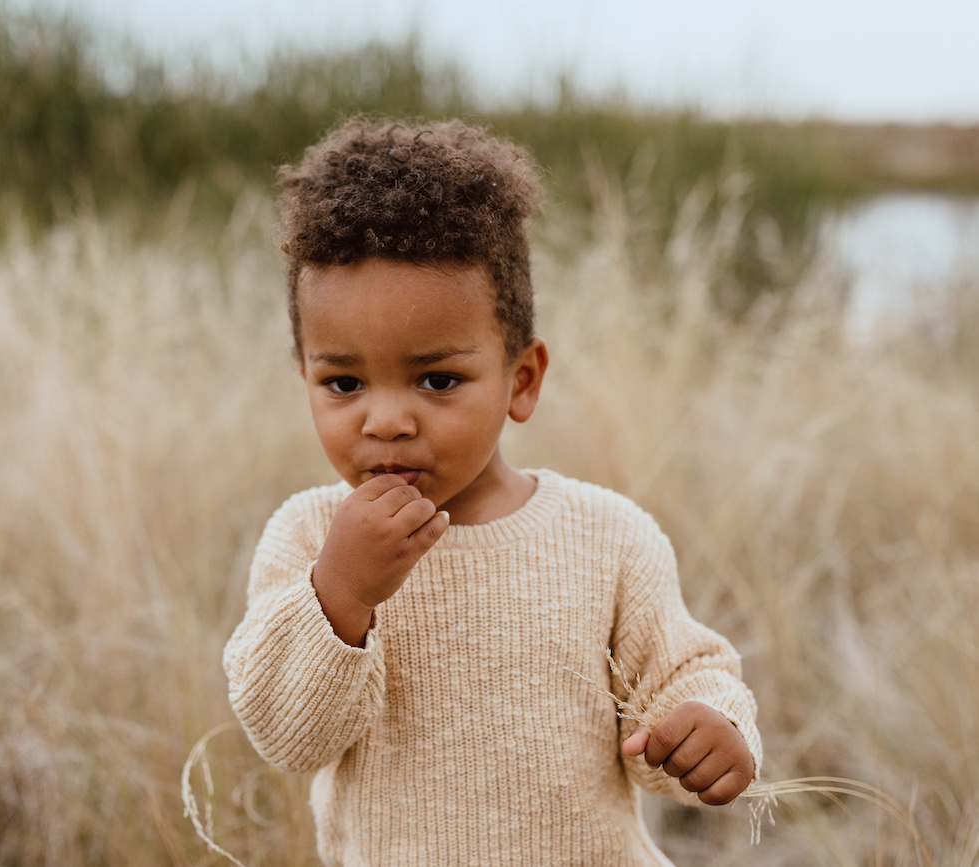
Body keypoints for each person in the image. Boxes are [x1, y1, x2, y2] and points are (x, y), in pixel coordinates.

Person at [223, 117, 762, 866]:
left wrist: (708, 724)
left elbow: (677, 677)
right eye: (343, 382)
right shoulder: (310, 539)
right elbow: (287, 735)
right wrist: (339, 595)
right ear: (306, 376)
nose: (385, 420)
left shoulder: (605, 535)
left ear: (521, 379)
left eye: (437, 379)